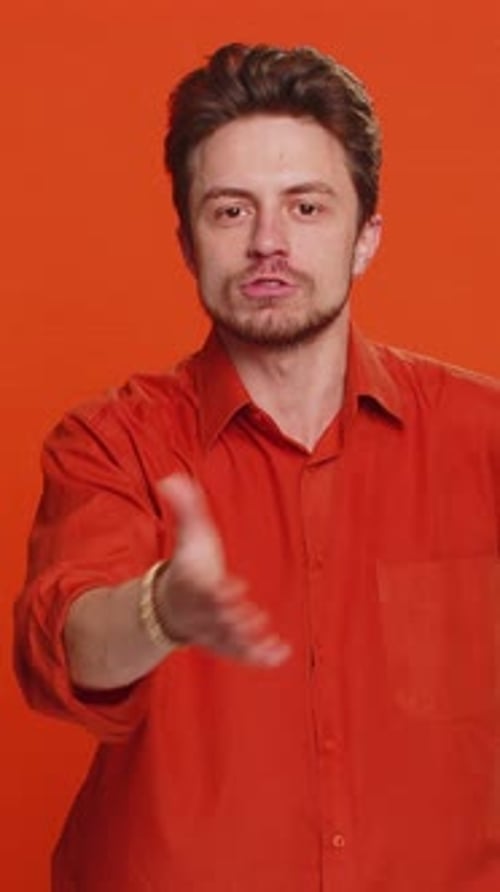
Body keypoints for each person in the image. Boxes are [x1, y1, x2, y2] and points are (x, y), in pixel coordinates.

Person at [14, 41, 500, 892]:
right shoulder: (112, 441)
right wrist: (160, 609)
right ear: (186, 239)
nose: (268, 243)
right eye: (230, 212)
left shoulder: (485, 439)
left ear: (365, 237)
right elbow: (74, 642)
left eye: (306, 208)